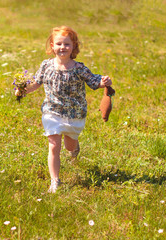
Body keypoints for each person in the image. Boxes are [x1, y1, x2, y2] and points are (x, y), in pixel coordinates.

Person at [16, 26, 112, 193]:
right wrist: (22, 90)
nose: (62, 47)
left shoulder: (79, 68)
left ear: (73, 46)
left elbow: (93, 80)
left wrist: (103, 82)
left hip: (74, 113)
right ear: (52, 46)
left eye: (67, 44)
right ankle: (55, 181)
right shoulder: (46, 66)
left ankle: (75, 148)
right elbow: (36, 83)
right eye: (58, 43)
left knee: (69, 145)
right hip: (52, 111)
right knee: (54, 145)